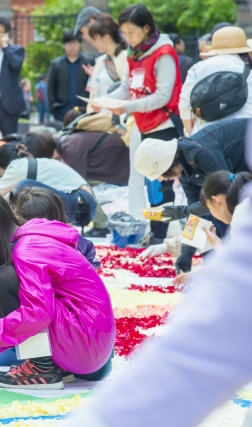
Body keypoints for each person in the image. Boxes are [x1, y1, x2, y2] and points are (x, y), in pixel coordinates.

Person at [60, 145, 252, 427]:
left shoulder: (234, 202)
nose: (163, 182)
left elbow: (235, 286)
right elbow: (196, 221)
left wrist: (201, 268)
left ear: (217, 200)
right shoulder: (201, 183)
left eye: (163, 176)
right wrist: (173, 248)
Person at [0, 186, 115, 389]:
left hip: (86, 345)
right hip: (92, 344)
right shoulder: (28, 241)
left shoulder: (27, 250)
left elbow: (37, 314)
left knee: (4, 280)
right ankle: (45, 366)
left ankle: (42, 370)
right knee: (6, 282)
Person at [94, 4, 183, 246]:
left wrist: (127, 107)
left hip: (163, 124)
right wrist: (106, 101)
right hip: (143, 125)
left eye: (132, 32)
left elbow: (162, 97)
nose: (128, 38)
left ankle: (160, 235)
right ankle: (156, 233)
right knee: (149, 180)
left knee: (162, 184)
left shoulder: (163, 52)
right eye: (124, 32)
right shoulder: (134, 53)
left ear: (147, 28)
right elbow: (126, 88)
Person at [134, 117, 249, 272]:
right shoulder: (184, 171)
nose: (161, 179)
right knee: (215, 222)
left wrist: (181, 211)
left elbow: (225, 197)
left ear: (166, 165)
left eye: (160, 174)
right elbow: (197, 214)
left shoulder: (200, 153)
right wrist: (185, 254)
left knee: (230, 219)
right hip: (240, 176)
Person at [46, 108, 129, 237]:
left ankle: (101, 225)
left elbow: (77, 184)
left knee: (81, 188)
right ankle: (101, 224)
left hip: (121, 153)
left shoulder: (69, 145)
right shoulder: (67, 141)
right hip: (113, 155)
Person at [0, 143, 97, 226]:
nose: (2, 175)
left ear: (3, 165)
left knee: (24, 187)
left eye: (1, 172)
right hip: (84, 205)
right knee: (21, 195)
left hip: (81, 205)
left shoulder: (17, 167)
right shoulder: (32, 163)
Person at [179, 26, 252, 135]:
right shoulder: (248, 72)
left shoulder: (197, 69)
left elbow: (185, 104)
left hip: (206, 133)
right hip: (242, 133)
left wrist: (192, 131)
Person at [47, 30, 93, 121]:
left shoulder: (89, 62)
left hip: (84, 109)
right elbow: (50, 88)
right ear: (64, 45)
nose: (72, 46)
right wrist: (53, 107)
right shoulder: (56, 64)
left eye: (75, 42)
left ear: (80, 44)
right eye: (69, 43)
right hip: (61, 110)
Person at [85, 14, 129, 111]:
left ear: (105, 37)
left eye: (94, 39)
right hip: (98, 116)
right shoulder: (101, 60)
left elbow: (127, 90)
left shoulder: (124, 57)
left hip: (115, 117)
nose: (93, 44)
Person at [199, 171, 252, 249]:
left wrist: (216, 244)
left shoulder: (240, 217)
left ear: (215, 201)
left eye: (209, 208)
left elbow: (236, 260)